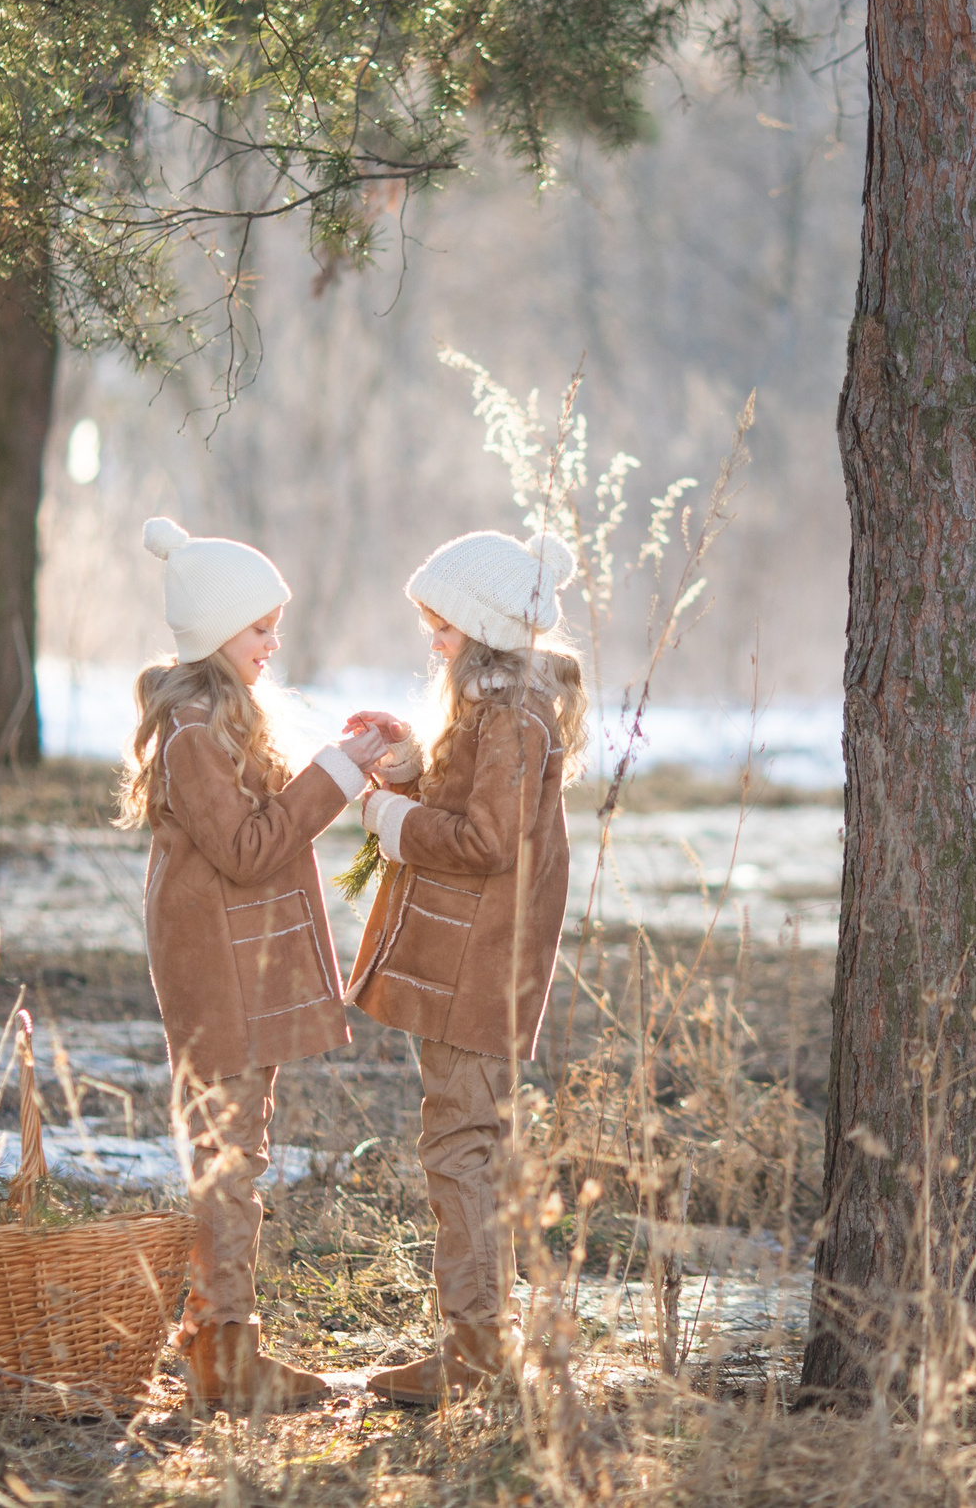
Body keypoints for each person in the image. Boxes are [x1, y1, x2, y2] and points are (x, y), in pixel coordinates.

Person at [121, 516, 388, 1415]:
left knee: (240, 1145)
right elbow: (245, 846)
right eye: (260, 628)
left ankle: (218, 1336)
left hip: (237, 967)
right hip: (215, 976)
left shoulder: (221, 716)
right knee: (229, 1153)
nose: (275, 643)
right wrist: (336, 774)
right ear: (214, 633)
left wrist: (344, 752)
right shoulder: (193, 734)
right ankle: (223, 1350)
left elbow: (261, 811)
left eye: (276, 626)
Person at [342, 529, 585, 1406]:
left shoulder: (516, 718)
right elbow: (474, 797)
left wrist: (390, 823)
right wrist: (412, 766)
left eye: (442, 624)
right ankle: (480, 1336)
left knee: (461, 1141)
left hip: (482, 965)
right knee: (467, 1135)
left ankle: (477, 1348)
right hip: (466, 960)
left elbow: (486, 838)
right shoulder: (493, 710)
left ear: (483, 629)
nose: (432, 640)